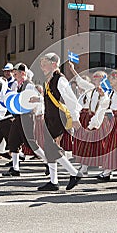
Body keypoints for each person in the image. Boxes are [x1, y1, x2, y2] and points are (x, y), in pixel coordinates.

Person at [37, 53, 83, 191]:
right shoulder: (49, 80)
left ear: (54, 64)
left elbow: (71, 100)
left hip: (58, 118)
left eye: (45, 63)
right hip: (50, 117)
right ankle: (53, 181)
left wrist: (75, 119)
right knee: (49, 149)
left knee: (52, 147)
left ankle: (75, 173)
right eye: (41, 64)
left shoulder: (60, 79)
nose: (42, 67)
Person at [1, 63, 47, 176]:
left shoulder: (29, 85)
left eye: (15, 73)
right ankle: (15, 168)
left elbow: (40, 98)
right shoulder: (18, 85)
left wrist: (35, 101)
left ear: (22, 73)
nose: (14, 75)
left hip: (27, 117)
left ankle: (48, 162)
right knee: (13, 140)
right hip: (18, 116)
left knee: (30, 142)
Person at [68, 62, 109, 176]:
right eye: (94, 78)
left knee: (100, 145)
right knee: (88, 143)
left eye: (98, 78)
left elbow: (104, 104)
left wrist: (102, 94)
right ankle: (85, 167)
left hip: (98, 119)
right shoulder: (92, 88)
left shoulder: (106, 91)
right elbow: (81, 82)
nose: (95, 79)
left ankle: (106, 169)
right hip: (91, 117)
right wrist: (73, 70)